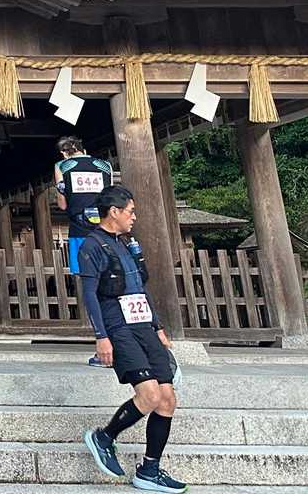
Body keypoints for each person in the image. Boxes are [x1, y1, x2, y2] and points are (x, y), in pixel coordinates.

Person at [78, 186, 187, 494]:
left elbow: (140, 287)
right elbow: (90, 295)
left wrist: (158, 326)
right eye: (131, 211)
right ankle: (104, 437)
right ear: (114, 212)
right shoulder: (91, 246)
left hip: (143, 325)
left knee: (167, 398)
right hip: (118, 326)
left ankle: (150, 470)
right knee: (149, 395)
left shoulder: (126, 244)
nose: (134, 217)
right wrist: (101, 337)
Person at [54, 135, 114, 366]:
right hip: (106, 230)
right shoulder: (104, 166)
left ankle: (103, 343)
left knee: (91, 289)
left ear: (64, 152)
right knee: (113, 284)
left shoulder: (62, 166)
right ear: (83, 148)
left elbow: (62, 204)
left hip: (80, 230)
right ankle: (118, 341)